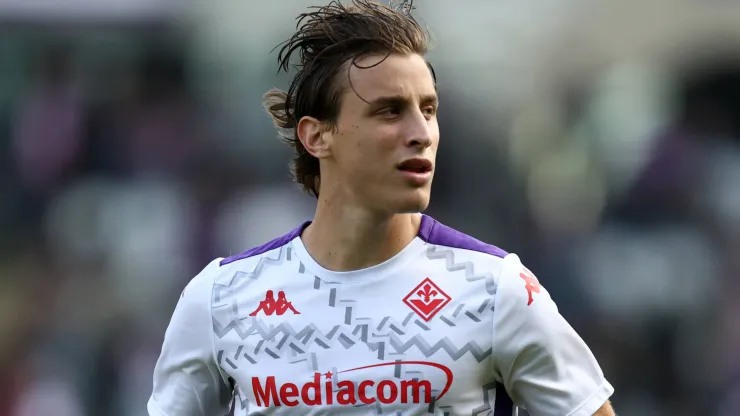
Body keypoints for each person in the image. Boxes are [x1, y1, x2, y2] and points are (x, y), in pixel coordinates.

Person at [147, 1, 616, 415]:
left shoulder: (496, 290)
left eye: (428, 110)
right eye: (390, 111)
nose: (422, 133)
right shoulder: (221, 298)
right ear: (317, 136)